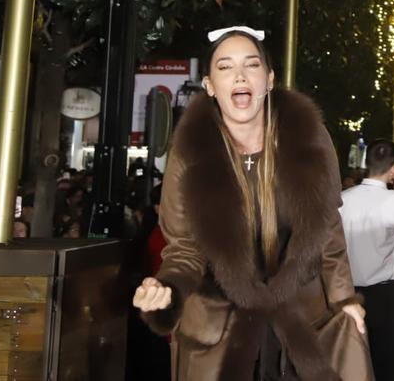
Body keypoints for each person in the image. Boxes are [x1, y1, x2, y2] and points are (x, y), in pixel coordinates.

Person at [132, 26, 371, 380]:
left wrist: (344, 299)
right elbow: (185, 248)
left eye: (252, 65)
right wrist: (165, 289)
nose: (240, 75)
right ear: (211, 86)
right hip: (219, 330)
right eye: (225, 67)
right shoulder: (190, 153)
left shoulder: (307, 138)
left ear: (270, 79)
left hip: (304, 324)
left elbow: (326, 228)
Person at [339, 139, 394, 381]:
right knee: (390, 366)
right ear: (393, 169)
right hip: (389, 298)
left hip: (348, 293)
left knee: (353, 366)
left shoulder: (343, 198)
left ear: (367, 163)